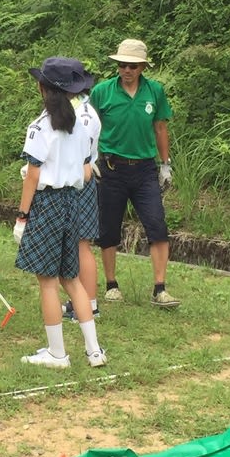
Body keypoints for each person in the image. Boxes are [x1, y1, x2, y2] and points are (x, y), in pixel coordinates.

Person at [14, 57, 106, 369]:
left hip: (48, 204)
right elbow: (87, 171)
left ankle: (57, 353)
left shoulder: (40, 127)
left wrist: (22, 216)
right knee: (72, 279)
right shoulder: (79, 127)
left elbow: (33, 176)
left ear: (43, 88)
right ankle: (94, 352)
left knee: (48, 282)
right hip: (73, 201)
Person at [90, 38, 178, 307]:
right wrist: (90, 159)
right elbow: (89, 127)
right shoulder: (102, 91)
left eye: (132, 66)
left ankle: (160, 288)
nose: (126, 70)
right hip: (111, 168)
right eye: (122, 65)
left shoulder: (154, 91)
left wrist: (165, 164)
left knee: (157, 225)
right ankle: (111, 284)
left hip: (144, 170)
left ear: (142, 67)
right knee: (108, 227)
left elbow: (160, 128)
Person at [62, 65, 102, 322]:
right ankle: (81, 301)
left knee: (81, 244)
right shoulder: (74, 109)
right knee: (76, 244)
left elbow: (82, 154)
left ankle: (89, 303)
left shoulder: (84, 114)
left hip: (80, 180)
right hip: (73, 179)